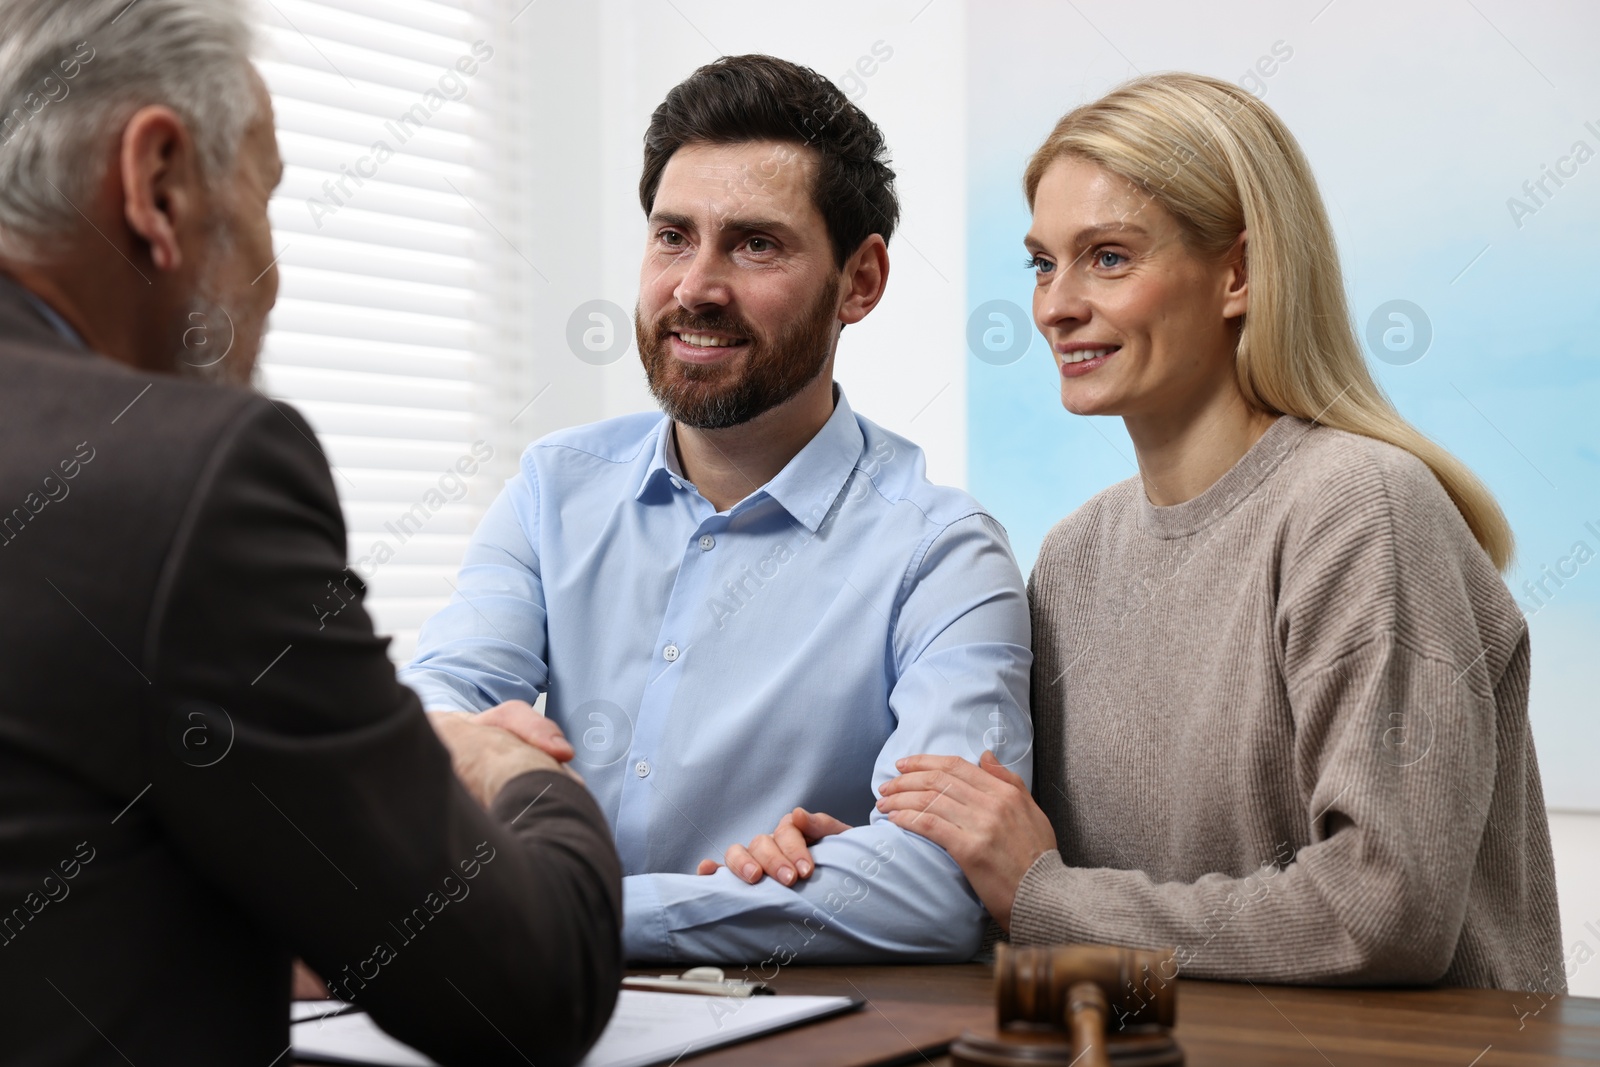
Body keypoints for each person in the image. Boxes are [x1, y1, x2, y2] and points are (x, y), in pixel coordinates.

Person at [726, 72, 1564, 992]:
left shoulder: (1361, 508)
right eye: (1043, 263)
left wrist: (1042, 896)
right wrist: (888, 868)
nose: (1056, 306)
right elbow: (1042, 875)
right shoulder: (1075, 558)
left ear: (1237, 273)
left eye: (1110, 258)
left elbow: (1382, 911)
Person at [0, 2, 621, 1063]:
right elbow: (528, 986)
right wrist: (512, 769)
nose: (273, 271)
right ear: (157, 182)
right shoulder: (186, 477)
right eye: (267, 195)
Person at [400, 54, 1033, 965]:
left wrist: (571, 911)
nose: (695, 286)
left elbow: (943, 884)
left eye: (755, 244)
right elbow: (427, 720)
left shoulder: (945, 557)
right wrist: (454, 738)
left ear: (861, 281)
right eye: (672, 237)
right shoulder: (553, 489)